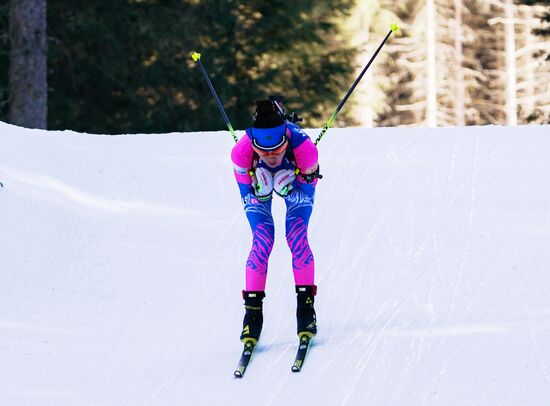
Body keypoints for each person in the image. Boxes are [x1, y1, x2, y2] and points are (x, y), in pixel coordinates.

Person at [231, 98, 322, 345]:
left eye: (278, 149)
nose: (271, 156)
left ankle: (306, 311)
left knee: (296, 237)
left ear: (286, 141)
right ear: (254, 145)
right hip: (256, 179)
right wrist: (259, 191)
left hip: (295, 176)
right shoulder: (241, 153)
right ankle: (252, 315)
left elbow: (308, 183)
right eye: (263, 151)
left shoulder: (305, 149)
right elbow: (246, 193)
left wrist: (290, 185)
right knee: (262, 241)